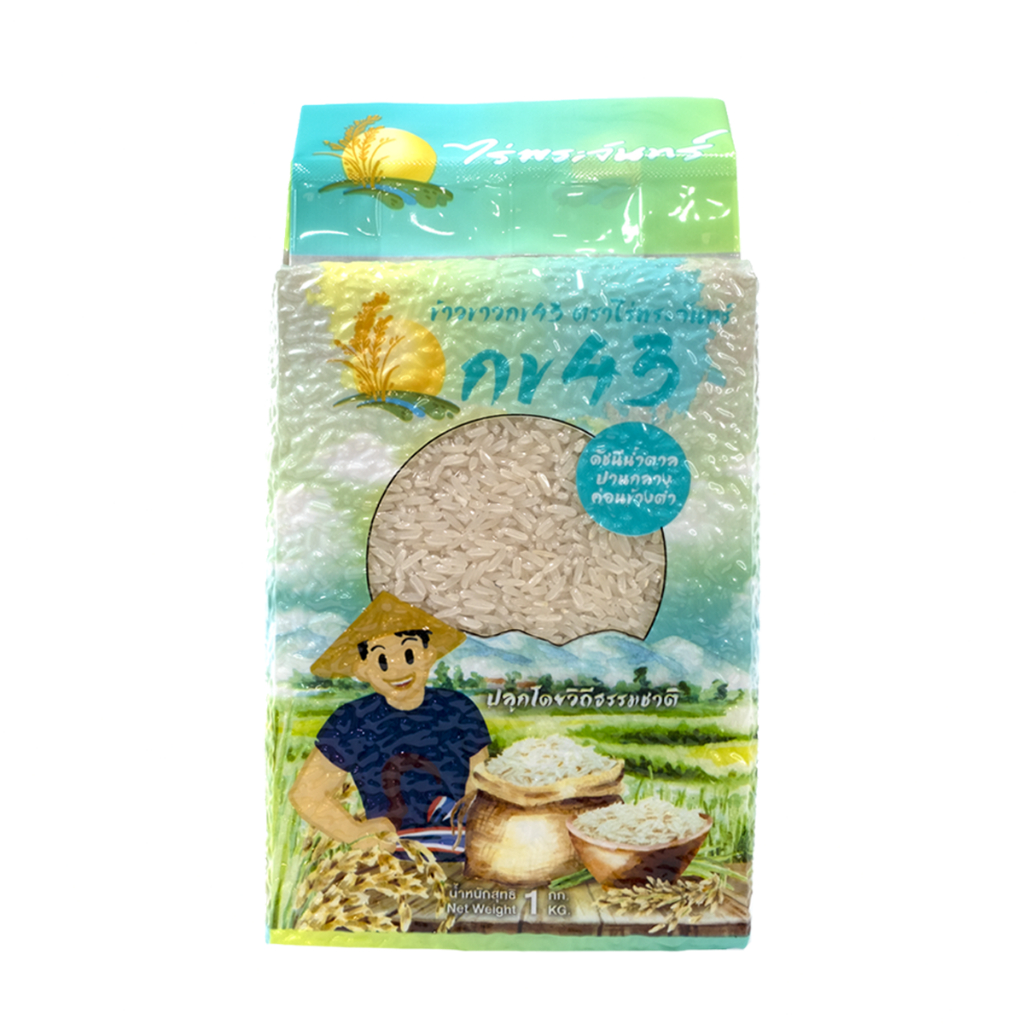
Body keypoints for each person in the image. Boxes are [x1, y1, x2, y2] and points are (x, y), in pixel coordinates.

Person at [289, 592, 490, 855]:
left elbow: (480, 779)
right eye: (382, 660)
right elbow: (306, 793)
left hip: (466, 849)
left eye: (409, 655)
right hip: (392, 856)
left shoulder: (458, 708)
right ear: (363, 670)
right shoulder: (351, 720)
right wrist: (354, 833)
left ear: (428, 655)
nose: (397, 670)